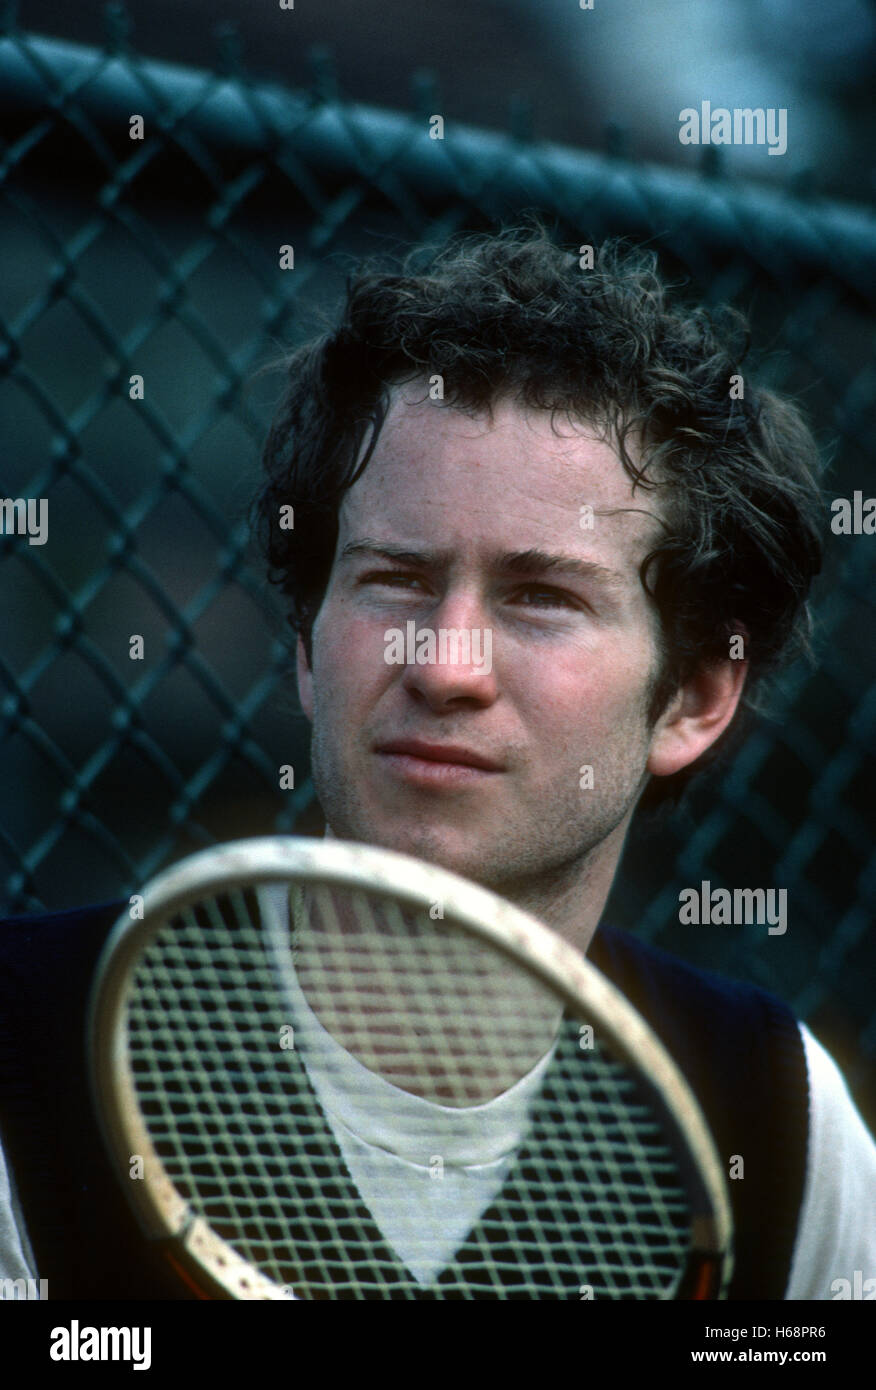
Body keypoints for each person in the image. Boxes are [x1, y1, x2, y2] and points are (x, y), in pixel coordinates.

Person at [0, 224, 873, 1300]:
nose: (444, 663)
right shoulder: (27, 1056)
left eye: (542, 598)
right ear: (310, 643)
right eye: (395, 578)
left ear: (690, 698)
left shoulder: (779, 1121)